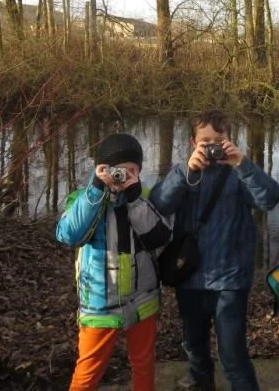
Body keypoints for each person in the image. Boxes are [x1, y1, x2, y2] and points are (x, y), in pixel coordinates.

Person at [149, 110, 279, 391]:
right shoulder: (184, 171)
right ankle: (202, 380)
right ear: (192, 142)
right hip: (190, 274)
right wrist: (186, 172)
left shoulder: (238, 172)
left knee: (232, 355)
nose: (211, 147)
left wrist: (242, 163)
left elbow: (270, 199)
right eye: (205, 140)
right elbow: (159, 204)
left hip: (229, 279)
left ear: (229, 140)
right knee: (193, 345)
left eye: (218, 140)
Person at [56, 133, 173, 391]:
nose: (123, 176)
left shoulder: (142, 195)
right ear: (102, 169)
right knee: (87, 371)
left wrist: (133, 198)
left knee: (143, 364)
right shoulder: (84, 197)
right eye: (117, 171)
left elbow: (160, 236)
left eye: (132, 170)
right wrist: (97, 189)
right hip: (99, 301)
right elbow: (68, 235)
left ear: (140, 170)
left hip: (143, 298)